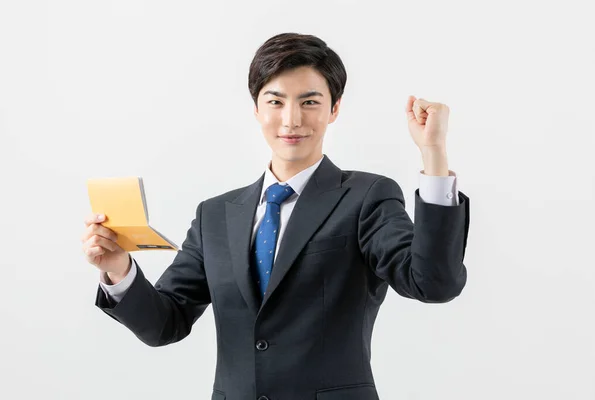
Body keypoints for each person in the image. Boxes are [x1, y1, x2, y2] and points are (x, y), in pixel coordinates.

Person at [81, 32, 470, 400]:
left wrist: (433, 155)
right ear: (256, 108)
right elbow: (165, 324)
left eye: (310, 101)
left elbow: (432, 283)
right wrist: (119, 270)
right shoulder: (215, 215)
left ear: (334, 109)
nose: (291, 119)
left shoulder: (367, 197)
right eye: (276, 101)